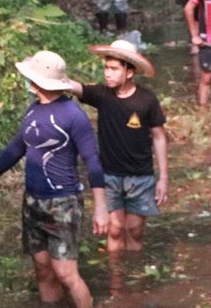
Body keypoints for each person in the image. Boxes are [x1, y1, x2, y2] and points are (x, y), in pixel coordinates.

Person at [0, 51, 108, 308]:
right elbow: (17, 147)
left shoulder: (74, 116)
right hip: (33, 201)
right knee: (42, 268)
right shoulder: (34, 109)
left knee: (66, 273)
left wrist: (101, 207)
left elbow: (92, 161)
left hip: (63, 203)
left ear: (40, 82)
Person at [66, 40, 167, 253]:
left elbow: (159, 136)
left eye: (114, 69)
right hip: (109, 174)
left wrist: (164, 177)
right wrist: (43, 73)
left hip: (141, 175)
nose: (108, 74)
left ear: (129, 72)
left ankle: (134, 277)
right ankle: (117, 281)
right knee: (115, 228)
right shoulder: (102, 95)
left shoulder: (146, 100)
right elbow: (71, 86)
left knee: (135, 228)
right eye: (106, 68)